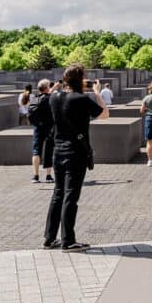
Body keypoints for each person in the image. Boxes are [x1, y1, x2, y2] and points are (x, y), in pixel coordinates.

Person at [44, 64, 107, 252]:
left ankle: (49, 238)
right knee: (71, 196)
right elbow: (104, 114)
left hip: (58, 151)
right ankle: (68, 241)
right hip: (75, 153)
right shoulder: (81, 99)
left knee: (58, 194)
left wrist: (61, 86)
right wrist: (96, 93)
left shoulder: (54, 98)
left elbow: (55, 93)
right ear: (80, 80)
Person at [30, 79, 55, 184]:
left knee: (36, 151)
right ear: (47, 87)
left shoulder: (34, 99)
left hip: (37, 127)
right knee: (49, 150)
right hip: (49, 127)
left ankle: (35, 176)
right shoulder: (50, 99)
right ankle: (48, 176)